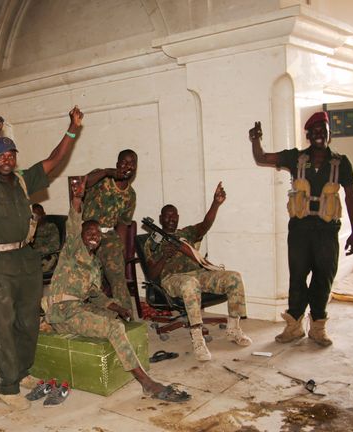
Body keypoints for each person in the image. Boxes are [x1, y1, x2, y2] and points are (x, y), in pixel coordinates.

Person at [0, 96, 83, 410]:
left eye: (12, 153)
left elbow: (54, 160)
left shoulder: (25, 181)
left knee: (28, 320)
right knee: (4, 323)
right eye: (2, 154)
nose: (8, 158)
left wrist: (72, 129)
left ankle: (22, 370)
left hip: (26, 257)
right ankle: (7, 387)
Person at [42, 177, 190, 403]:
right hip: (64, 312)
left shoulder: (93, 265)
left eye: (97, 233)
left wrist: (118, 307)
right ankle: (147, 383)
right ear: (80, 236)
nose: (93, 235)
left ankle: (127, 358)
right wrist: (77, 199)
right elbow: (73, 224)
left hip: (77, 309)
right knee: (112, 328)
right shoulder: (72, 250)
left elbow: (96, 295)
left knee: (116, 319)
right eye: (88, 232)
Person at [249, 112, 353, 346]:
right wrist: (255, 140)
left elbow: (350, 197)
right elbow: (261, 157)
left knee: (323, 278)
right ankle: (294, 327)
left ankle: (318, 328)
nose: (319, 135)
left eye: (323, 130)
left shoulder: (341, 162)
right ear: (308, 135)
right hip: (300, 230)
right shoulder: (295, 157)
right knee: (297, 278)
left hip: (327, 231)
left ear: (330, 134)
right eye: (315, 131)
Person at [143, 183, 252, 362]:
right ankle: (198, 338)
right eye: (167, 216)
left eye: (174, 215)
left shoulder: (186, 233)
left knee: (234, 277)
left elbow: (205, 224)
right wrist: (163, 256)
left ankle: (233, 329)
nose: (171, 219)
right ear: (161, 219)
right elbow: (153, 275)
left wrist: (216, 203)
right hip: (173, 280)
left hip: (198, 273)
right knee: (189, 284)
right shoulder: (152, 243)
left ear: (178, 218)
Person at [82, 150, 138, 315]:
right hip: (85, 234)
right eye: (124, 162)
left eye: (132, 163)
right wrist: (107, 172)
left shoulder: (130, 195)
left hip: (108, 237)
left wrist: (120, 247)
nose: (128, 166)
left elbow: (123, 222)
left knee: (118, 277)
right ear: (117, 163)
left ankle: (127, 317)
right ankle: (83, 315)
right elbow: (81, 184)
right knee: (85, 277)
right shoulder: (102, 177)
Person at [30, 203, 61, 273]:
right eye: (33, 216)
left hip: (45, 256)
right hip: (31, 257)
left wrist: (36, 251)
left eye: (37, 215)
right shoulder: (30, 229)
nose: (35, 218)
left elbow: (55, 246)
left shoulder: (51, 227)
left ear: (43, 215)